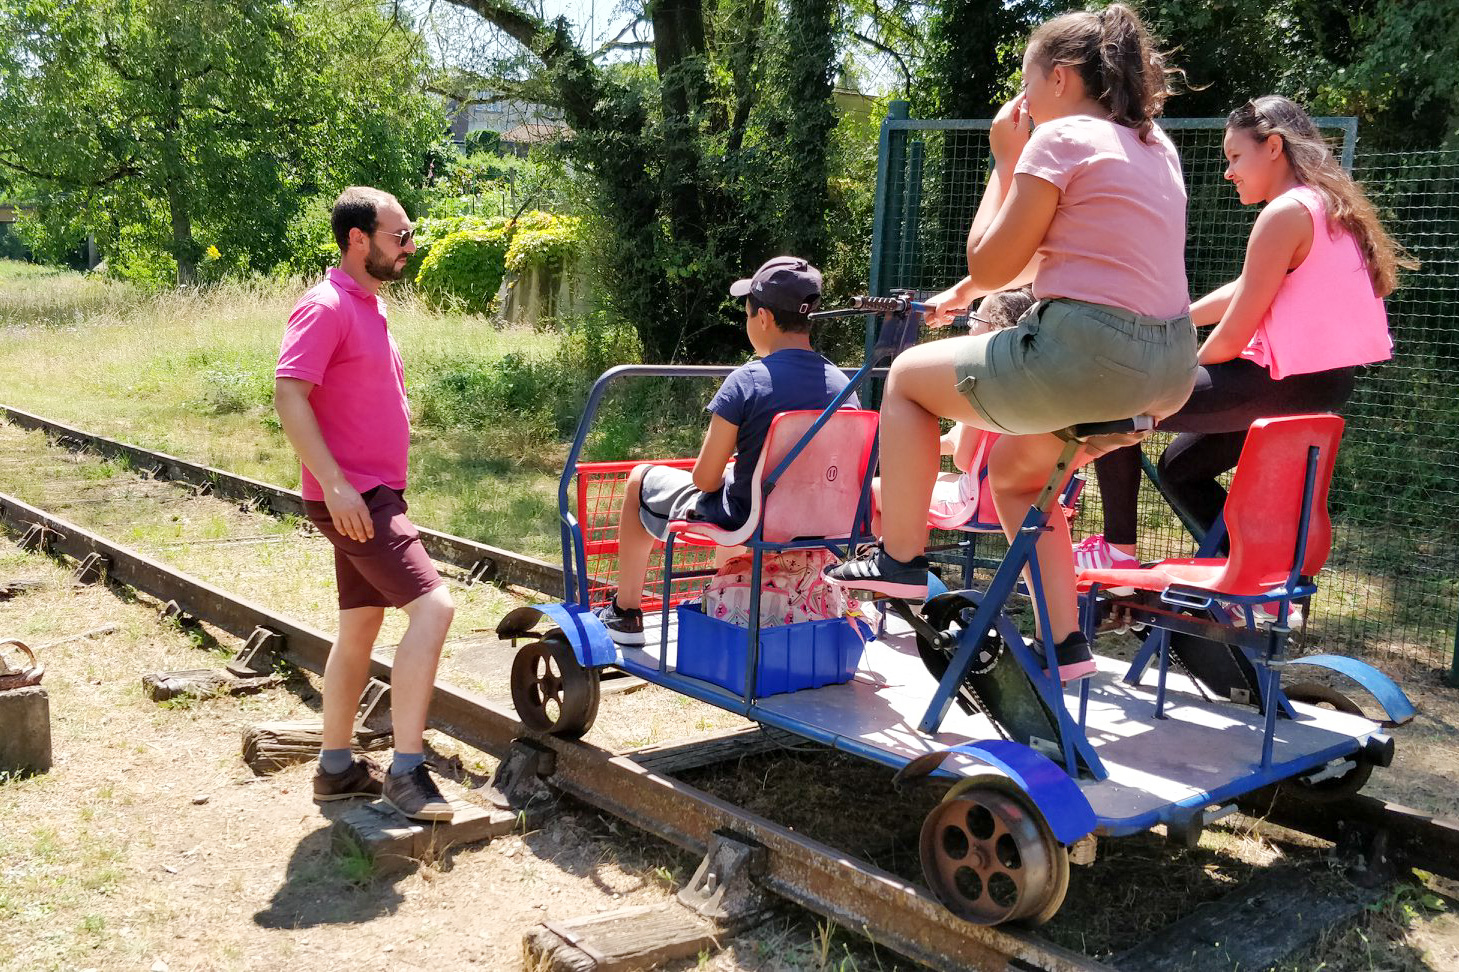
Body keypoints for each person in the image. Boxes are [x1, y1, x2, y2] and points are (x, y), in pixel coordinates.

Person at [825, 5, 1198, 682]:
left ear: (1057, 79)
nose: (1022, 102)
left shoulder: (1057, 140)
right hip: (1167, 370)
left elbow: (998, 261)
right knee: (1018, 478)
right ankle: (1065, 646)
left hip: (1086, 358)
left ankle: (900, 557)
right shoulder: (1150, 145)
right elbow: (1056, 258)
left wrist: (1005, 159)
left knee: (907, 377)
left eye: (1026, 85)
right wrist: (968, 291)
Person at [1075, 95, 1413, 571]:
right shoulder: (1330, 207)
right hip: (1322, 385)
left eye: (1236, 156)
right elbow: (1245, 288)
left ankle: (1116, 551)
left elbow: (1232, 339)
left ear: (1273, 146)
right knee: (1181, 467)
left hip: (1273, 383)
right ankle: (1249, 566)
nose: (1229, 171)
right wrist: (1174, 320)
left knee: (1112, 399)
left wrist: (1167, 365)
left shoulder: (1284, 214)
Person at [275, 187, 456, 822]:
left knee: (360, 625)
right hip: (357, 498)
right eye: (399, 236)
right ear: (359, 240)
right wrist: (337, 484)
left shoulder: (367, 304)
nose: (410, 247)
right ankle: (407, 772)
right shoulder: (326, 306)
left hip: (371, 492)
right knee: (434, 609)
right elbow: (289, 396)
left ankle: (336, 768)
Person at [593, 256, 857, 646]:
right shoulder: (844, 384)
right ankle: (724, 597)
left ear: (763, 318)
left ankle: (625, 613)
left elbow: (704, 478)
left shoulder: (747, 381)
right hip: (822, 523)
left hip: (752, 519)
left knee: (640, 479)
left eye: (747, 313)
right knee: (738, 490)